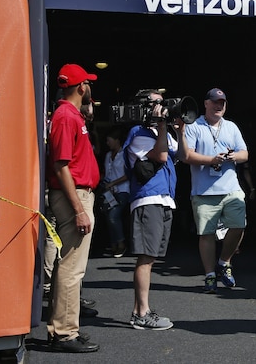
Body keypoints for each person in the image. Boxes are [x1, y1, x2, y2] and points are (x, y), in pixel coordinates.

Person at [46, 63, 101, 353]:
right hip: (74, 196)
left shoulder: (68, 115)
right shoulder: (67, 116)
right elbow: (61, 165)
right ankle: (64, 333)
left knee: (68, 265)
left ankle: (63, 329)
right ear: (81, 87)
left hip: (75, 194)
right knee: (71, 266)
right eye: (88, 83)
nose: (89, 87)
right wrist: (79, 209)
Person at [178, 88, 249, 294]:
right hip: (203, 191)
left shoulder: (231, 127)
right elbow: (186, 156)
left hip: (231, 189)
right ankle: (210, 275)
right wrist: (212, 160)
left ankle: (224, 262)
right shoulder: (194, 126)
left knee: (239, 225)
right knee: (206, 234)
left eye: (222, 103)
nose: (219, 106)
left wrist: (234, 156)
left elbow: (245, 153)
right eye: (215, 102)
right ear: (206, 103)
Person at [123, 89, 180, 330]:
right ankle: (141, 313)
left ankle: (140, 310)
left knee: (151, 257)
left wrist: (180, 127)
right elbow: (162, 155)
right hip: (148, 199)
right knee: (146, 257)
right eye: (156, 104)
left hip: (164, 198)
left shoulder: (160, 132)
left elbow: (183, 153)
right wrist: (163, 125)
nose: (162, 107)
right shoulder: (138, 132)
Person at [101, 127, 130, 258]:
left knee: (113, 215)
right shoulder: (108, 155)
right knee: (108, 215)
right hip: (109, 192)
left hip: (122, 190)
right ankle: (114, 243)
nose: (107, 143)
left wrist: (113, 183)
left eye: (109, 140)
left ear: (117, 140)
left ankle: (121, 243)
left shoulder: (125, 154)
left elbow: (128, 174)